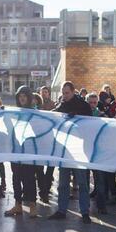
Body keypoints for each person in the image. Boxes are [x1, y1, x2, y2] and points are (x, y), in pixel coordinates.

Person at [48, 81, 92, 224]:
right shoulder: (62, 105)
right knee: (63, 183)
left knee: (82, 183)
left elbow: (91, 125)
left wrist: (78, 117)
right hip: (65, 151)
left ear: (73, 91)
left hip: (79, 151)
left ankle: (85, 212)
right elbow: (52, 116)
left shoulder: (84, 106)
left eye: (67, 93)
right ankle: (62, 210)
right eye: (63, 93)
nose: (64, 95)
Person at [4, 86, 39, 218]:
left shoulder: (35, 113)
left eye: (24, 95)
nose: (22, 98)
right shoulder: (14, 112)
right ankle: (18, 205)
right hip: (16, 151)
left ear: (29, 97)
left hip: (29, 152)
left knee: (29, 179)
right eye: (20, 96)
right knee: (16, 178)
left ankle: (32, 206)